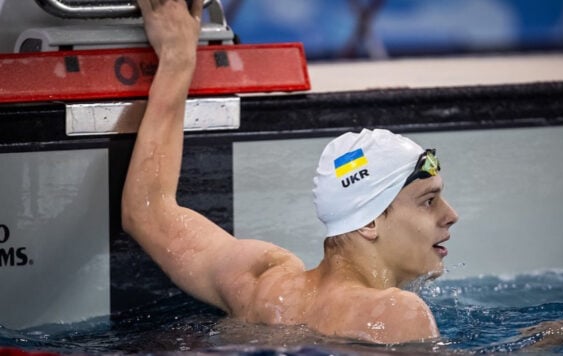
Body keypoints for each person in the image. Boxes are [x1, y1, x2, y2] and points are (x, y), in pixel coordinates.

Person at [122, 0, 459, 344]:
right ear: (369, 222)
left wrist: (177, 59)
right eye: (428, 201)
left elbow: (147, 212)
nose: (451, 215)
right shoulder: (395, 314)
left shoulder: (263, 284)